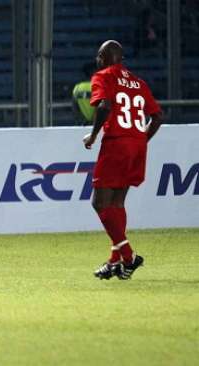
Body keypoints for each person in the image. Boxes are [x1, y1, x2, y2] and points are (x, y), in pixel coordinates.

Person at [83, 40, 163, 280]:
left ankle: (128, 256)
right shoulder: (139, 82)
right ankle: (115, 261)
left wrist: (94, 135)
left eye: (99, 56)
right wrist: (139, 141)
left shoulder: (103, 76)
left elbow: (105, 106)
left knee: (100, 203)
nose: (98, 60)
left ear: (105, 58)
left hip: (117, 142)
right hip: (137, 145)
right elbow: (157, 117)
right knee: (117, 203)